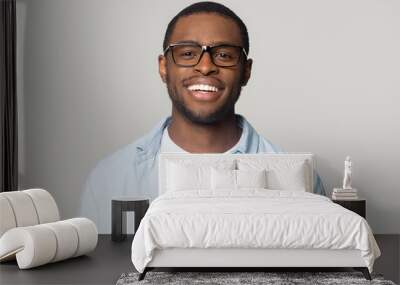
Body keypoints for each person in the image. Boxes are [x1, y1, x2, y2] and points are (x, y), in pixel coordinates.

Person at [80, 1, 326, 233]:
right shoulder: (109, 178)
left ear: (246, 71)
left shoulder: (298, 177)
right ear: (164, 67)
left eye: (224, 55)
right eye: (187, 53)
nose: (206, 66)